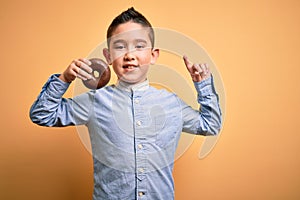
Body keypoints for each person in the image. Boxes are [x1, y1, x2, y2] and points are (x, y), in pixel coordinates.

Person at [30, 7, 222, 200]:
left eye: (139, 46)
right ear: (108, 56)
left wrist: (203, 85)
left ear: (153, 55)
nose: (130, 55)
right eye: (120, 46)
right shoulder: (95, 101)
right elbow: (42, 114)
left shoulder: (171, 103)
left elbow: (210, 125)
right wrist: (65, 78)